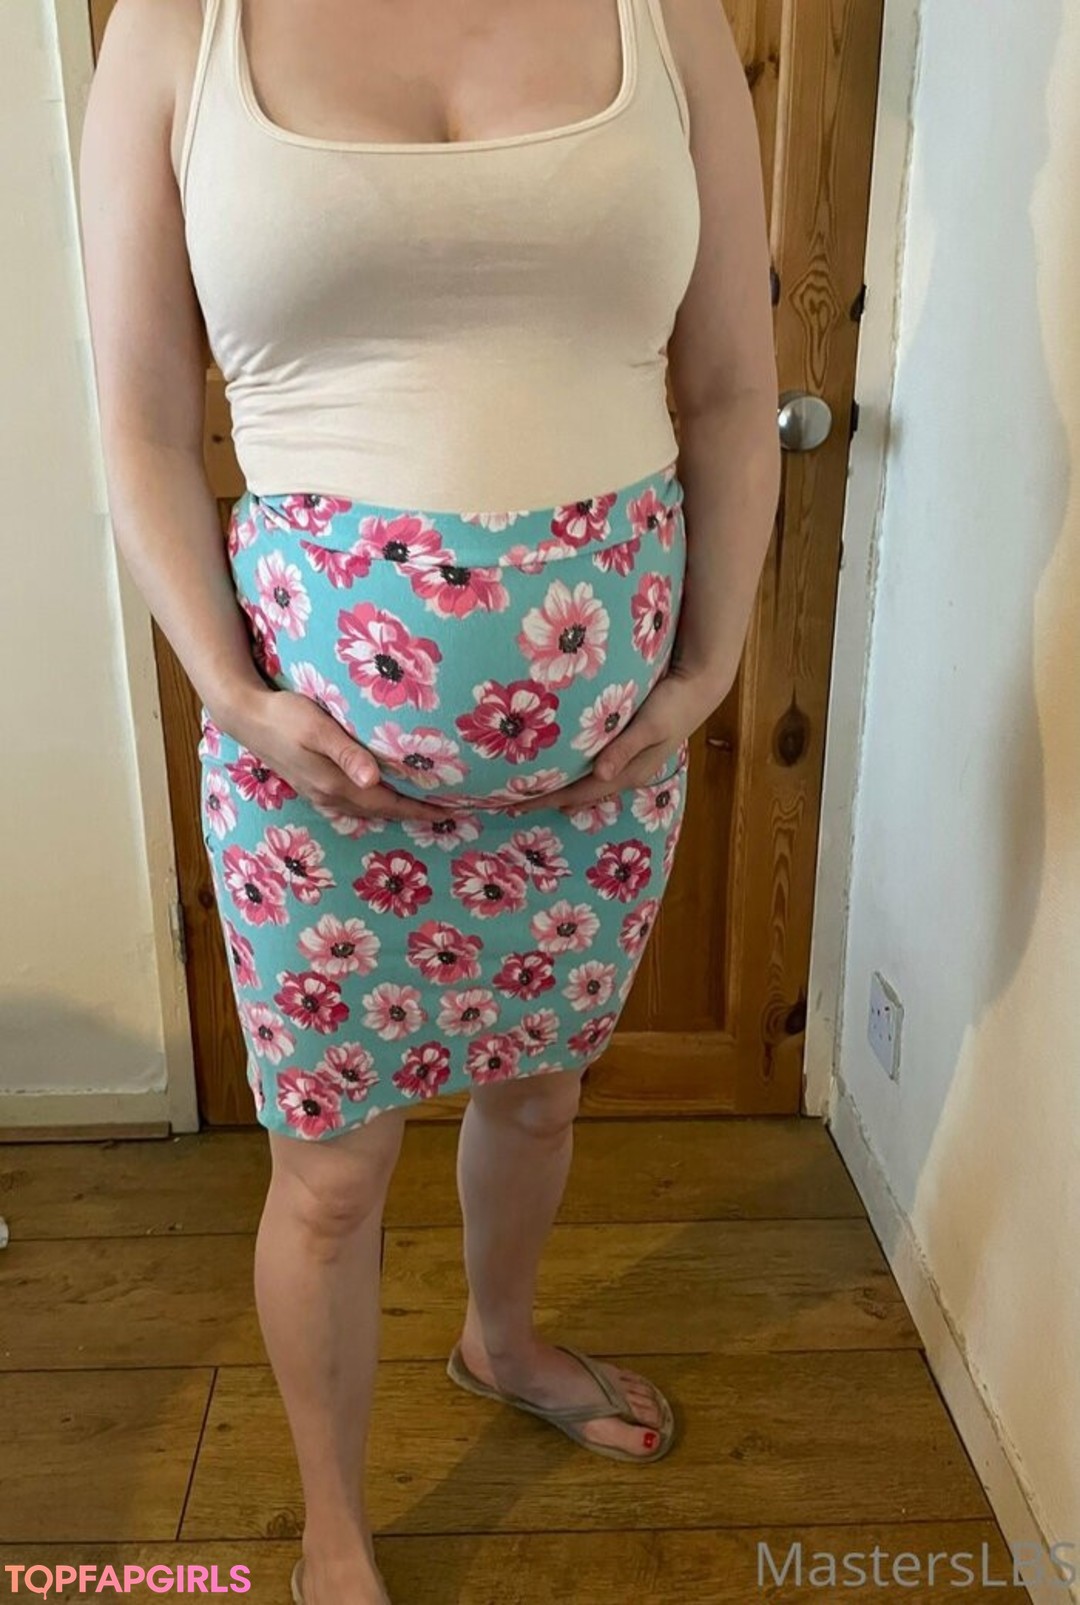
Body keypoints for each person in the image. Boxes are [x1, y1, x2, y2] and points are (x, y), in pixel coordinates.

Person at [79, 0, 779, 1598]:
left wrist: (704, 671)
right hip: (312, 782)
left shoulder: (666, 18)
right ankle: (333, 1527)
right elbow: (136, 415)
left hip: (602, 773)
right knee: (331, 1175)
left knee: (542, 1095)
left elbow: (736, 389)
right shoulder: (177, 31)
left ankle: (500, 1340)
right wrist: (234, 691)